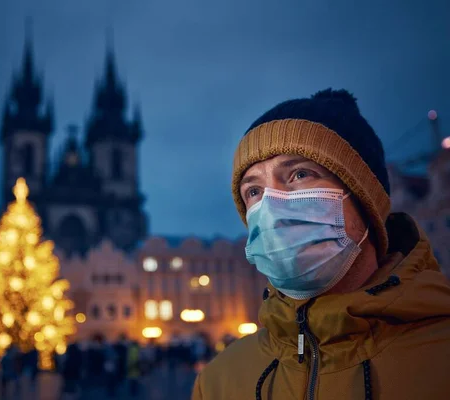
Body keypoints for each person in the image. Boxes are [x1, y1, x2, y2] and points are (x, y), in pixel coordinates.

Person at [191, 89, 450, 400]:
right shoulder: (219, 382)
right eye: (254, 191)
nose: (272, 209)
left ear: (365, 200)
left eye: (300, 174)